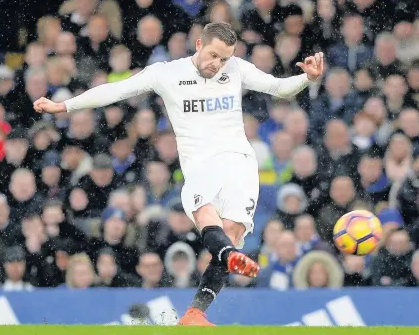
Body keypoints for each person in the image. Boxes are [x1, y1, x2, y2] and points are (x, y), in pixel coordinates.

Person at [33, 21, 324, 326]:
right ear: (199, 44)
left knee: (232, 233)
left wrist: (308, 77)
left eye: (224, 58)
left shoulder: (236, 69)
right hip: (200, 165)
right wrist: (62, 106)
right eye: (213, 55)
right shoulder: (167, 74)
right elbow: (115, 90)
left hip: (239, 162)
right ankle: (227, 257)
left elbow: (279, 87)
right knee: (205, 214)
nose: (218, 64)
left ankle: (195, 312)